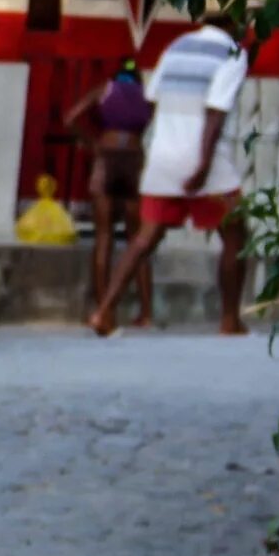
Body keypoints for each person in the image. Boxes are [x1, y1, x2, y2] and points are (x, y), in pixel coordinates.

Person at [91, 21, 249, 337]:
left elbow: (151, 99)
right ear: (236, 24)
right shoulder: (233, 52)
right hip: (205, 158)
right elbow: (215, 112)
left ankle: (104, 311)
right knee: (236, 234)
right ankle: (230, 320)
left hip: (164, 154)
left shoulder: (175, 48)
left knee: (144, 238)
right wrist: (202, 164)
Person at [62, 56, 152, 330]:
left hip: (107, 157)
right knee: (138, 240)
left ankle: (105, 310)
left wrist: (92, 143)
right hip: (134, 160)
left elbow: (71, 118)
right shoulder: (148, 96)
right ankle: (145, 314)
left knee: (104, 236)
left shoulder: (105, 89)